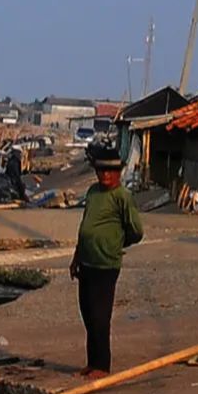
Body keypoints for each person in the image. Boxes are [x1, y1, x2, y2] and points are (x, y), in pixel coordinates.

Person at [69, 157, 143, 376]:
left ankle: (102, 365)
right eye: (101, 172)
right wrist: (76, 258)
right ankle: (92, 362)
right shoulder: (93, 192)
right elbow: (86, 226)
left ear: (118, 173)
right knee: (88, 313)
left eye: (110, 172)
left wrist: (116, 243)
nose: (105, 176)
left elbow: (136, 231)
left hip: (106, 263)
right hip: (86, 261)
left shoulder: (123, 197)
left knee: (101, 316)